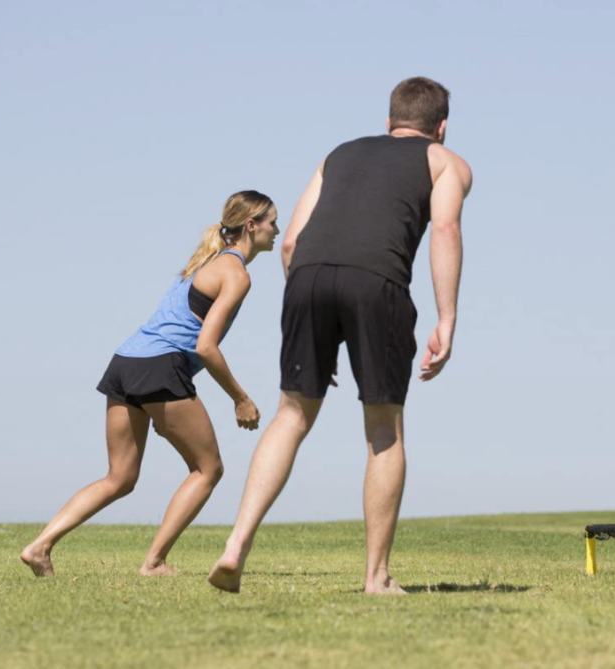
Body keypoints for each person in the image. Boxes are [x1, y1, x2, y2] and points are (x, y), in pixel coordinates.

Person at [208, 77, 473, 595]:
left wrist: (318, 319)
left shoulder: (339, 154)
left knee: (291, 414)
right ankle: (376, 577)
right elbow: (445, 230)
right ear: (440, 127)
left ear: (389, 120)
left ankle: (236, 546)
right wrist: (448, 318)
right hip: (378, 283)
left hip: (307, 278)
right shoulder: (446, 162)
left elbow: (289, 245)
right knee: (384, 428)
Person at [20, 191, 277, 577]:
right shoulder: (236, 273)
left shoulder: (205, 259)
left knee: (119, 477)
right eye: (273, 222)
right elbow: (206, 347)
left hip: (126, 363)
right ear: (252, 226)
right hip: (160, 367)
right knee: (208, 469)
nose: (278, 231)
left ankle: (39, 547)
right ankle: (154, 562)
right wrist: (240, 398)